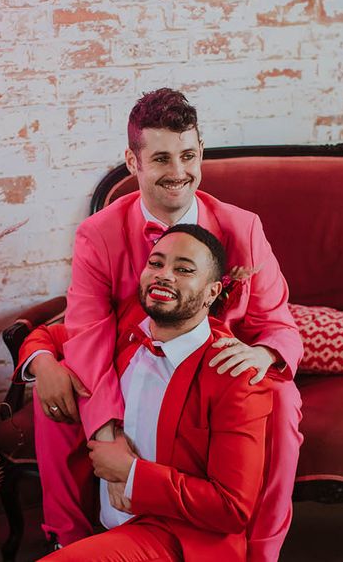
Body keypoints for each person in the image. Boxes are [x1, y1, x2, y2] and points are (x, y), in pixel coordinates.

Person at [22, 89, 303, 561]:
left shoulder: (243, 228)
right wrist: (110, 444)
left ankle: (261, 553)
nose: (179, 172)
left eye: (189, 155)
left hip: (219, 369)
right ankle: (70, 538)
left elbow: (280, 324)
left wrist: (264, 355)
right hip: (135, 355)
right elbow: (88, 335)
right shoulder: (99, 233)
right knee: (62, 387)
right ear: (132, 162)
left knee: (282, 396)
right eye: (161, 159)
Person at [41, 225, 273, 562]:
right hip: (100, 529)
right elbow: (50, 336)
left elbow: (232, 507)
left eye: (183, 269)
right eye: (156, 263)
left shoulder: (234, 375)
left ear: (211, 292)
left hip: (176, 538)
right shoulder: (122, 330)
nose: (164, 276)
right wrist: (44, 365)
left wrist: (131, 474)